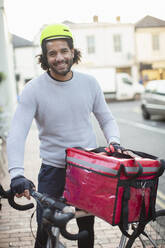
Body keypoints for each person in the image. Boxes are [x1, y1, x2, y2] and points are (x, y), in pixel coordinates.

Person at [7, 23, 123, 248]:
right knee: (45, 231)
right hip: (53, 172)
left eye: (64, 51)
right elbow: (17, 133)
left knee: (85, 231)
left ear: (72, 52)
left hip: (86, 172)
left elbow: (106, 119)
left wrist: (114, 142)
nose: (59, 57)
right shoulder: (34, 89)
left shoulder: (89, 84)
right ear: (44, 57)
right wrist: (16, 174)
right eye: (52, 53)